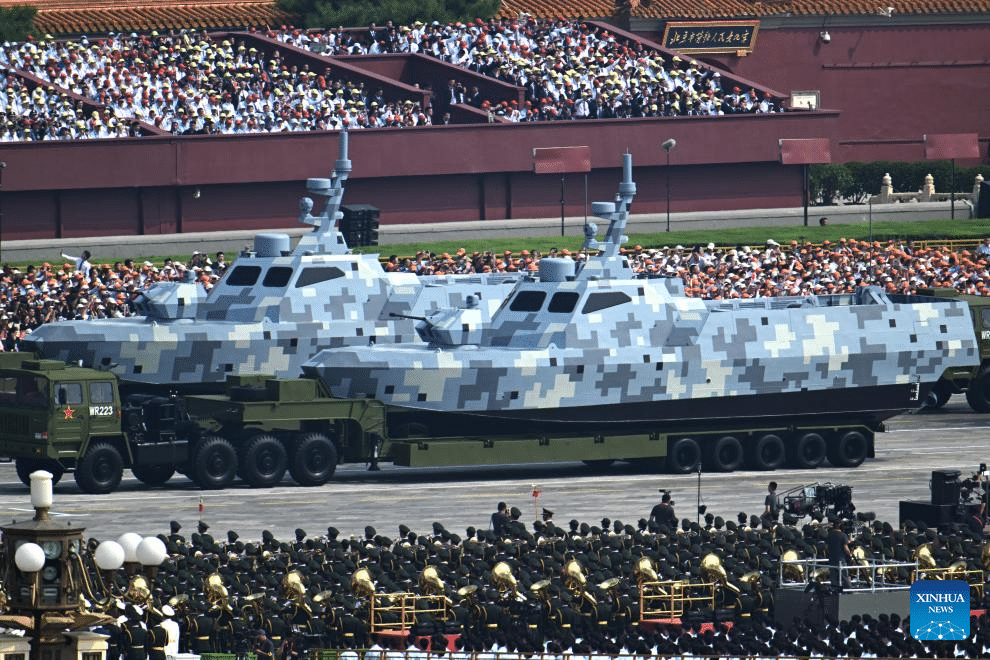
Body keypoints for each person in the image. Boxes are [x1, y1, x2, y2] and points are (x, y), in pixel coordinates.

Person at [826, 519, 853, 590]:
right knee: (845, 576)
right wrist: (849, 554)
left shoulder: (829, 535)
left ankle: (834, 591)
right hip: (841, 559)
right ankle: (849, 590)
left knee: (833, 578)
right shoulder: (843, 535)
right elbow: (846, 548)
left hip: (832, 559)